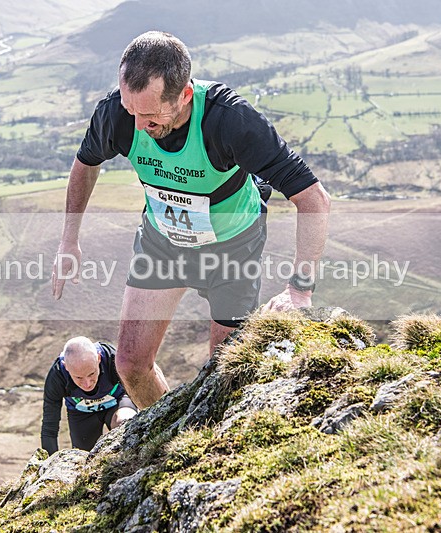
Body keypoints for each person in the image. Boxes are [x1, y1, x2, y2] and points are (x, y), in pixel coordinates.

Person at [51, 31, 331, 410]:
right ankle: (159, 434)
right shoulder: (119, 113)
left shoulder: (229, 121)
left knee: (223, 374)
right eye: (132, 111)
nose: (137, 126)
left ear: (184, 95)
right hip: (162, 244)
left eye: (150, 116)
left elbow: (313, 199)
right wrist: (70, 239)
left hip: (231, 249)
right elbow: (86, 164)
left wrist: (300, 289)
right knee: (130, 365)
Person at [40, 336, 137, 455]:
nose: (87, 383)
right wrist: (48, 464)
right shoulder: (57, 376)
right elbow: (50, 427)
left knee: (125, 421)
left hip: (117, 401)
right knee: (83, 456)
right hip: (81, 412)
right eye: (78, 377)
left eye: (92, 373)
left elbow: (138, 390)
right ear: (66, 366)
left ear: (98, 358)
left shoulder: (112, 358)